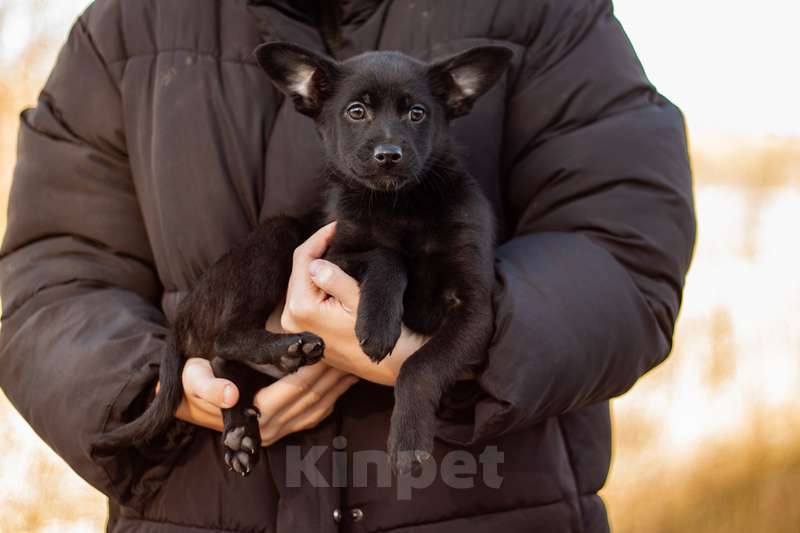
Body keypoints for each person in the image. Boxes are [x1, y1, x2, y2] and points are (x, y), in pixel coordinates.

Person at [0, 1, 695, 532]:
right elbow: (45, 275)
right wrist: (159, 390)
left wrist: (461, 351)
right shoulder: (129, 26)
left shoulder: (543, 12)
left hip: (488, 498)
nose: (388, 144)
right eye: (359, 112)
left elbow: (628, 246)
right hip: (196, 497)